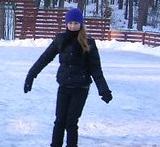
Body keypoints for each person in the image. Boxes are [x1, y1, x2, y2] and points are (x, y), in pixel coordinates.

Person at [24, 8, 113, 147]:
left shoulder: (88, 43)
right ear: (66, 23)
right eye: (70, 22)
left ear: (81, 24)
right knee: (59, 121)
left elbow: (96, 69)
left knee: (71, 122)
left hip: (80, 88)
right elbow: (45, 58)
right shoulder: (61, 39)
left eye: (76, 23)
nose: (73, 26)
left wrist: (104, 90)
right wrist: (31, 75)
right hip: (64, 86)